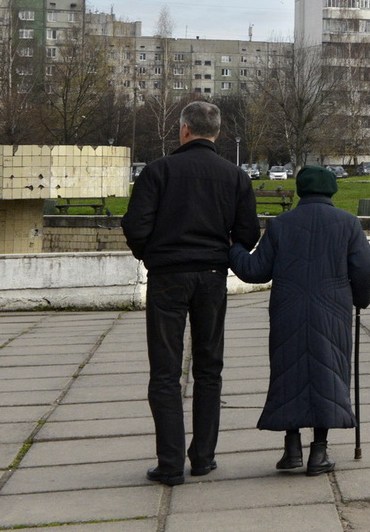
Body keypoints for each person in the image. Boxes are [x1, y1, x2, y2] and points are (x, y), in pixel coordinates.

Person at [122, 100, 259, 487]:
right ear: (216, 133)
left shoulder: (158, 171)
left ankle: (169, 464)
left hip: (167, 277)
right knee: (209, 368)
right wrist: (219, 251)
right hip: (212, 276)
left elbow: (135, 226)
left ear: (184, 130)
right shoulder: (235, 177)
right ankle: (202, 458)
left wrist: (154, 256)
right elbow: (247, 235)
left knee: (165, 372)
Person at [228, 165, 370, 476]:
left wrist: (234, 249)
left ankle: (291, 448)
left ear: (301, 190)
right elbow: (363, 267)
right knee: (328, 373)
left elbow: (255, 270)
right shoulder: (348, 223)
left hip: (288, 309)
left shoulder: (281, 224)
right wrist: (361, 299)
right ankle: (318, 453)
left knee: (289, 373)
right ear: (331, 190)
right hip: (332, 311)